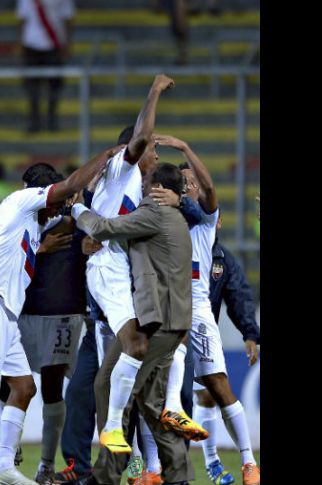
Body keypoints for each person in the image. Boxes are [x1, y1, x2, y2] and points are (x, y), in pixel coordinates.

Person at [0, 143, 114, 485]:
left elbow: (54, 229)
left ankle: (4, 466)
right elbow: (68, 187)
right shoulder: (22, 203)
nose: (59, 210)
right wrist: (105, 157)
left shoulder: (31, 222)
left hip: (4, 313)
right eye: (56, 204)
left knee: (23, 386)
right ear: (42, 194)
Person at [72, 162, 195, 485]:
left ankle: (106, 474)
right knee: (151, 403)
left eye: (145, 185)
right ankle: (178, 475)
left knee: (110, 385)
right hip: (171, 323)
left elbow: (103, 228)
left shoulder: (153, 214)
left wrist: (78, 209)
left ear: (156, 189)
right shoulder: (173, 217)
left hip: (157, 323)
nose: (140, 188)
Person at [154, 134, 260, 485]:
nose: (187, 188)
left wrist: (185, 149)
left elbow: (211, 191)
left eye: (191, 183)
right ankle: (152, 469)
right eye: (181, 184)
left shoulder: (203, 224)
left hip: (197, 311)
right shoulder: (161, 219)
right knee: (148, 388)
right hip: (162, 308)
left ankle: (248, 462)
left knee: (217, 385)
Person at [14, 164, 85, 485]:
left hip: (62, 313)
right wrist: (38, 250)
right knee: (7, 384)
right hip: (21, 313)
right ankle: (9, 450)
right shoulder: (16, 224)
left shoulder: (73, 226)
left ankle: (45, 464)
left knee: (52, 387)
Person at [191, 215, 260, 485]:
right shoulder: (174, 244)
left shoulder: (222, 259)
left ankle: (232, 463)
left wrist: (250, 334)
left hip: (199, 330)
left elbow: (239, 295)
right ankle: (149, 467)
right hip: (166, 327)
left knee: (211, 393)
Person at [16, 0, 76, 132]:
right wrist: (20, 45)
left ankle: (52, 122)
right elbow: (22, 20)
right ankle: (34, 123)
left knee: (54, 87)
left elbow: (68, 19)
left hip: (54, 46)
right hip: (31, 45)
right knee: (32, 88)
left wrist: (67, 44)